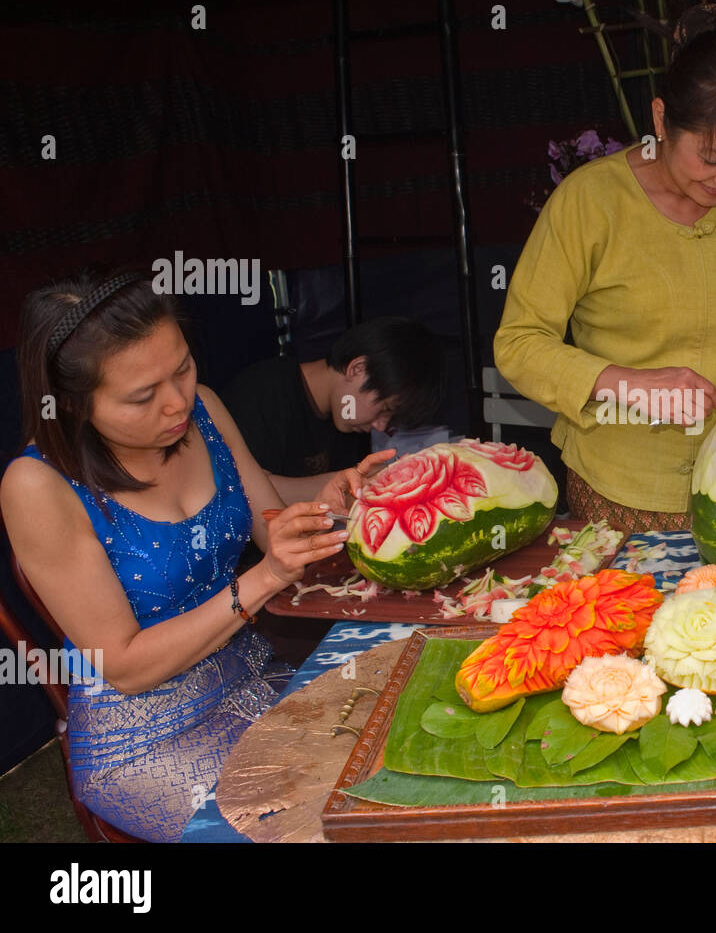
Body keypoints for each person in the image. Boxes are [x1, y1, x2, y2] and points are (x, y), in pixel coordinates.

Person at [0, 268, 391, 842]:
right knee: (318, 828)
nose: (176, 400)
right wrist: (263, 579)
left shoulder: (202, 409)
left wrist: (328, 500)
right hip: (142, 736)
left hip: (248, 674)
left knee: (394, 752)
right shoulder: (38, 486)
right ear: (73, 404)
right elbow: (126, 667)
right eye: (142, 395)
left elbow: (267, 517)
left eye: (182, 366)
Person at [494, 7, 716, 533]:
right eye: (713, 156)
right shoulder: (590, 202)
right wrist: (627, 383)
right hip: (620, 486)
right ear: (660, 119)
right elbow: (520, 342)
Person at [220, 316, 441, 504]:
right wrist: (352, 481)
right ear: (357, 369)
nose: (380, 425)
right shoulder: (261, 392)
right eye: (384, 409)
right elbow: (243, 491)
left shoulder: (348, 419)